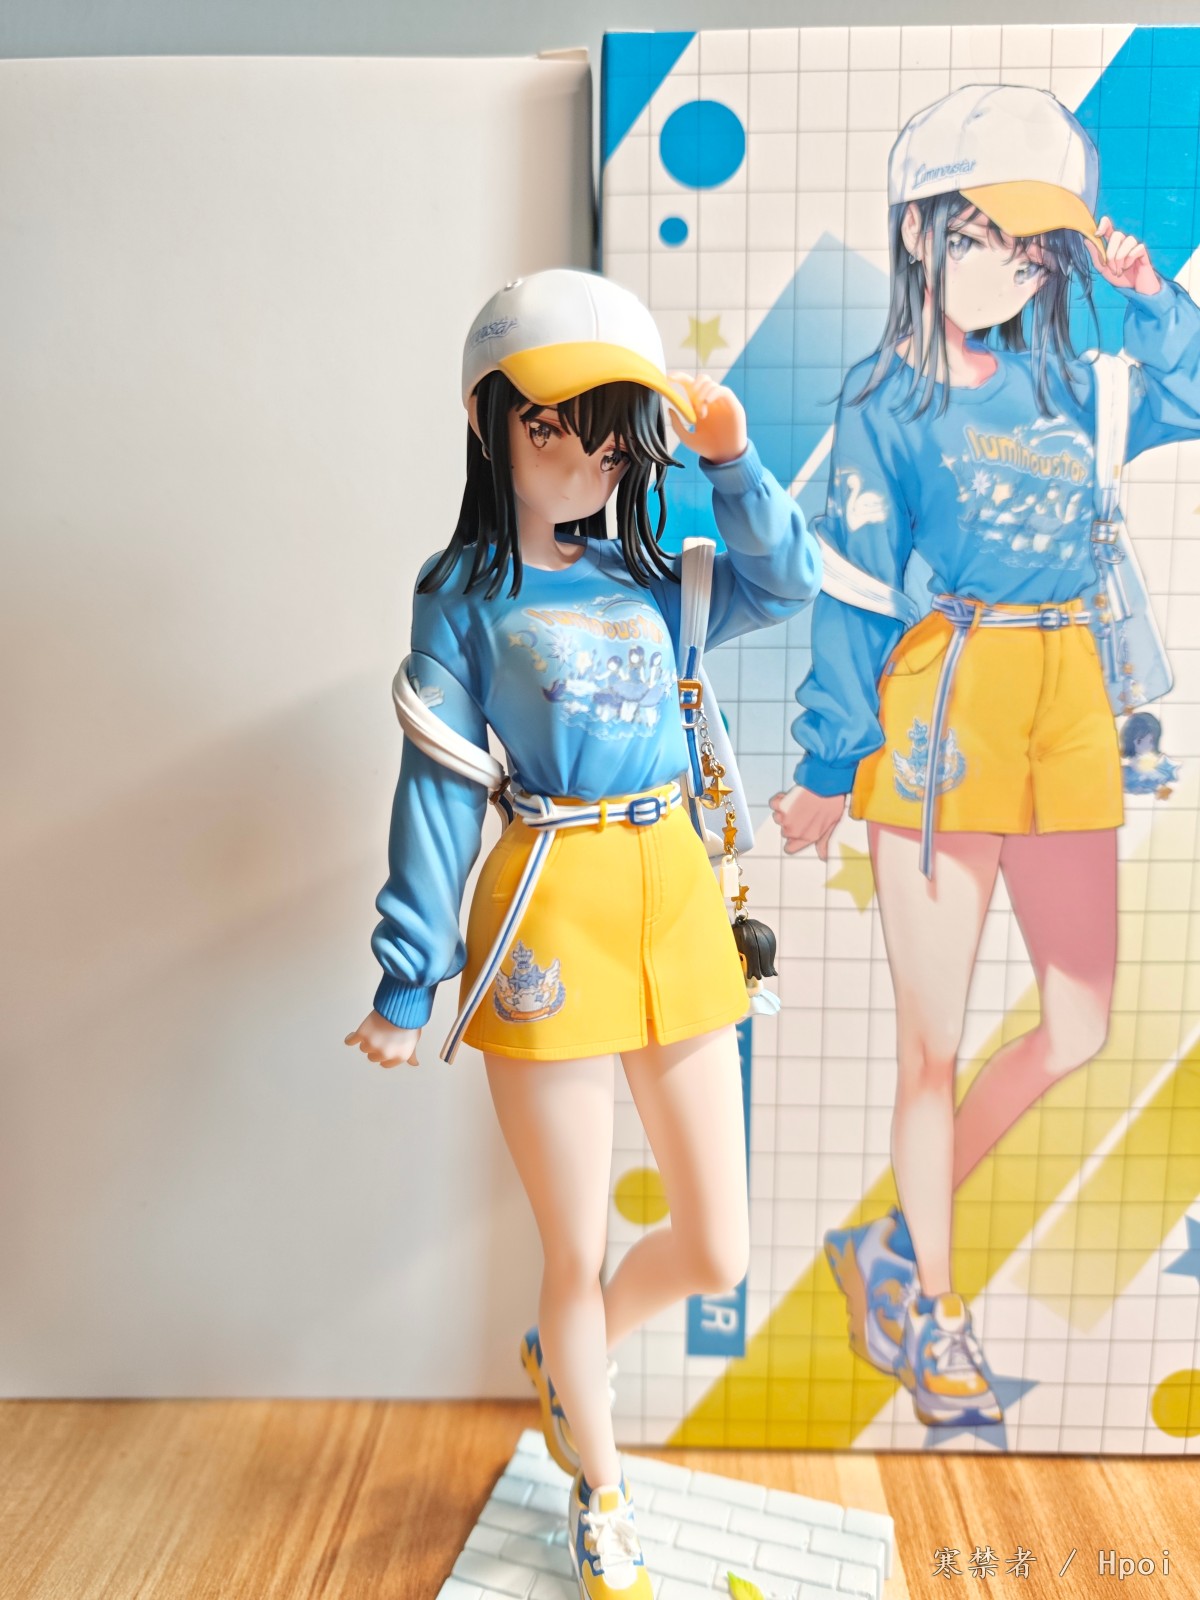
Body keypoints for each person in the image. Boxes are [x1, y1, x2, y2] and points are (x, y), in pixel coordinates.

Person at [345, 269, 820, 1597]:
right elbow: (439, 787)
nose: (584, 457)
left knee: (717, 1246)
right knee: (575, 1246)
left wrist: (732, 461)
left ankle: (572, 1361)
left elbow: (787, 582)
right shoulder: (462, 593)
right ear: (491, 424)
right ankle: (600, 1488)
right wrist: (406, 981)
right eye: (551, 425)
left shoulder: (655, 577)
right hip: (548, 910)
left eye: (609, 432)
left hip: (676, 898)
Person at [771, 84, 1200, 1429]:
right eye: (982, 238)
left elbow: (1196, 389)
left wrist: (1146, 293)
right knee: (932, 1045)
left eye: (1032, 250)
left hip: (1070, 704)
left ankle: (890, 1247)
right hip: (941, 712)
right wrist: (827, 766)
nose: (1009, 271)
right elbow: (851, 593)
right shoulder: (883, 404)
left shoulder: (1080, 381)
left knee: (1078, 1025)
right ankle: (937, 1314)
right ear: (919, 230)